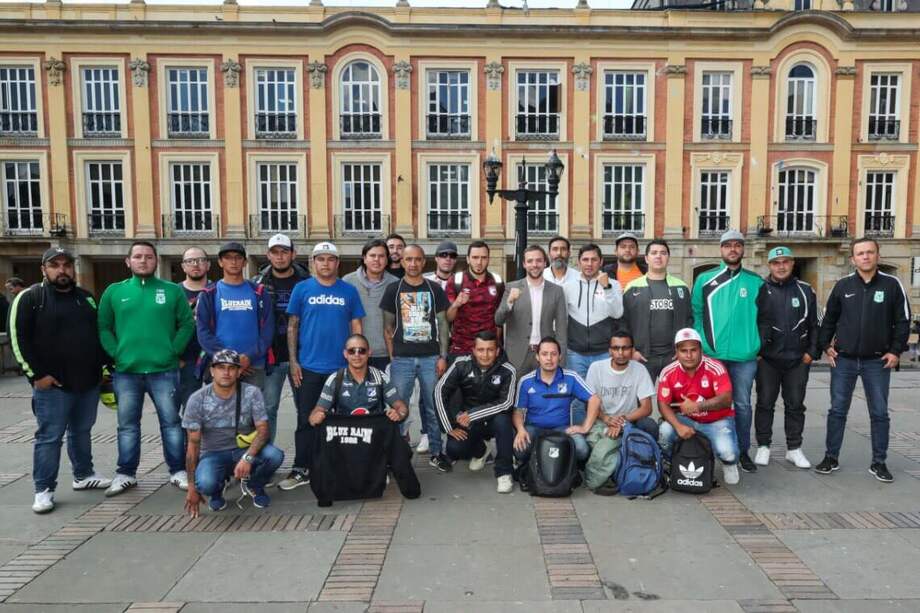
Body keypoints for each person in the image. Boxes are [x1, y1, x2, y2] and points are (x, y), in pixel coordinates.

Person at [10, 248, 112, 513]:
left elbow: (97, 337)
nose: (62, 270)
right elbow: (17, 339)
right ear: (44, 269)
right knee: (49, 437)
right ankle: (43, 489)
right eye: (55, 265)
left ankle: (83, 475)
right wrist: (36, 376)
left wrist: (103, 369)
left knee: (81, 431)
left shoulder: (86, 298)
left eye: (67, 265)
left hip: (87, 382)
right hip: (52, 385)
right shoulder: (30, 298)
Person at [97, 241, 195, 497]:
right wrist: (116, 353)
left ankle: (177, 470)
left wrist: (174, 350)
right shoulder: (114, 292)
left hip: (164, 370)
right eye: (138, 257)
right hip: (127, 371)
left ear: (156, 261)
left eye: (149, 257)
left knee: (172, 423)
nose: (143, 261)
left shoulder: (172, 291)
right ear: (128, 262)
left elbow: (186, 324)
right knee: (127, 425)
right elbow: (104, 327)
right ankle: (126, 473)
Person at [815, 237, 911, 483]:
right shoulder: (842, 286)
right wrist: (826, 346)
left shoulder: (892, 285)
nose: (865, 257)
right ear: (853, 259)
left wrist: (896, 351)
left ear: (877, 255)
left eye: (870, 252)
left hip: (877, 362)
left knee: (879, 413)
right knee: (837, 411)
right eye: (860, 253)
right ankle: (830, 457)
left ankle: (879, 462)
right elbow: (828, 320)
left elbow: (902, 321)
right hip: (844, 361)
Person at [282, 241, 364, 490]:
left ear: (337, 263)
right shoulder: (302, 289)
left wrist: (357, 361)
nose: (325, 263)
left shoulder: (348, 291)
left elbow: (356, 327)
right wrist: (294, 362)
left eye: (330, 259)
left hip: (341, 368)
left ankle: (338, 465)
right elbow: (292, 326)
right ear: (313, 263)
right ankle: (301, 467)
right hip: (309, 367)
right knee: (306, 419)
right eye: (320, 259)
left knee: (341, 420)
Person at [691, 229, 763, 473]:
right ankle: (711, 449)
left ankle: (742, 451)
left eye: (737, 245)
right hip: (713, 355)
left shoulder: (755, 282)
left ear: (743, 249)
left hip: (745, 357)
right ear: (720, 249)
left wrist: (758, 344)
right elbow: (697, 314)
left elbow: (765, 317)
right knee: (711, 403)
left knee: (742, 404)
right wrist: (704, 343)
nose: (733, 249)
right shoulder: (705, 279)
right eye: (728, 245)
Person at [182, 349, 284, 516]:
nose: (226, 372)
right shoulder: (197, 399)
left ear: (239, 372)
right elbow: (193, 446)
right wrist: (192, 488)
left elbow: (263, 430)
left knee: (275, 456)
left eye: (231, 368)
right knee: (206, 482)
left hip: (243, 449)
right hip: (213, 454)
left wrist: (248, 457)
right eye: (221, 367)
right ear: (212, 371)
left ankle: (255, 484)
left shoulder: (252, 393)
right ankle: (216, 491)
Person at [381, 244, 451, 469]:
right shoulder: (394, 289)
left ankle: (436, 452)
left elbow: (442, 324)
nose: (413, 264)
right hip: (402, 359)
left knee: (432, 406)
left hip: (431, 357)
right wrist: (394, 357)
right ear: (402, 261)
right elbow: (387, 327)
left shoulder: (434, 289)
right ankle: (399, 453)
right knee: (399, 406)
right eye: (408, 259)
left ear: (424, 262)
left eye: (417, 259)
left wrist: (442, 356)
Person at [753, 247, 818, 469]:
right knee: (764, 404)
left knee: (795, 405)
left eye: (785, 262)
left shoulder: (806, 290)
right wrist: (757, 352)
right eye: (776, 262)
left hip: (798, 360)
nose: (781, 266)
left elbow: (814, 325)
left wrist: (811, 353)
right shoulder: (759, 289)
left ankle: (794, 449)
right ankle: (763, 446)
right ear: (769, 265)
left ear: (792, 263)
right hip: (767, 360)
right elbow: (751, 322)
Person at [513, 337, 602, 490]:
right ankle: (530, 468)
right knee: (520, 450)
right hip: (534, 428)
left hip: (562, 428)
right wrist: (520, 430)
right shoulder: (526, 381)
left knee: (582, 449)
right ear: (537, 356)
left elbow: (594, 400)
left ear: (560, 357)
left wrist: (585, 427)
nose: (549, 358)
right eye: (545, 354)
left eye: (553, 354)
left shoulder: (570, 377)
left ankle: (567, 470)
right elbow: (518, 411)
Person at [435, 331, 517, 492]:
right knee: (454, 448)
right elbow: (439, 391)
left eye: (490, 350)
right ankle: (482, 451)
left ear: (497, 351)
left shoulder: (508, 370)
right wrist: (449, 427)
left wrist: (472, 414)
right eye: (481, 350)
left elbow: (505, 403)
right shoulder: (461, 364)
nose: (485, 355)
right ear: (473, 350)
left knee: (503, 421)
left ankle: (504, 472)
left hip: (494, 419)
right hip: (470, 422)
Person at [658, 328, 740, 485]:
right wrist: (678, 426)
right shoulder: (668, 372)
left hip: (717, 420)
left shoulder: (715, 367)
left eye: (693, 350)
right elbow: (663, 404)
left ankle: (729, 464)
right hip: (686, 420)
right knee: (665, 431)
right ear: (677, 352)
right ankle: (671, 462)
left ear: (701, 350)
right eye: (684, 351)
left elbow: (726, 399)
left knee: (728, 453)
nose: (689, 355)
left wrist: (697, 406)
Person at [250, 233, 311, 442]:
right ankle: (266, 457)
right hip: (271, 357)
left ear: (293, 254)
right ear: (268, 255)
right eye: (275, 252)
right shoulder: (257, 284)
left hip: (302, 357)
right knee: (268, 409)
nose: (280, 257)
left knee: (305, 409)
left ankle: (307, 459)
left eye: (284, 252)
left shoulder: (307, 282)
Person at [584, 330, 658, 494]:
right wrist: (607, 418)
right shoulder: (596, 368)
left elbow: (647, 408)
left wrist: (622, 421)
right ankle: (617, 470)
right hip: (602, 419)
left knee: (650, 425)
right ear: (609, 350)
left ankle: (647, 463)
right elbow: (589, 404)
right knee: (599, 443)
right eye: (616, 348)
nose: (620, 353)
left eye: (625, 348)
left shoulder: (639, 370)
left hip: (630, 420)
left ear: (632, 350)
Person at [195, 242, 275, 390]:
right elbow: (203, 331)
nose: (233, 262)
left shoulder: (259, 292)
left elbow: (268, 330)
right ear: (220, 262)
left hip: (253, 365)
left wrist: (249, 357)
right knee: (221, 411)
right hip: (221, 366)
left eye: (238, 258)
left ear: (244, 262)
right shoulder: (209, 294)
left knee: (251, 411)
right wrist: (230, 360)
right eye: (228, 258)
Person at [564, 243, 624, 424]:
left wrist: (607, 288)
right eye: (585, 260)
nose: (589, 264)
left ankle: (601, 434)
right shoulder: (568, 286)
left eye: (594, 260)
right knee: (577, 398)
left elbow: (617, 313)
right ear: (578, 262)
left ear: (601, 262)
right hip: (575, 353)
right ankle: (579, 438)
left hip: (603, 352)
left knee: (604, 396)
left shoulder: (614, 284)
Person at [621, 239, 692, 381]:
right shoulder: (632, 287)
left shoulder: (681, 287)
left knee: (675, 402)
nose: (658, 256)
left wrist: (684, 349)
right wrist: (632, 350)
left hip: (673, 356)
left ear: (668, 258)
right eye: (654, 253)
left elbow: (688, 321)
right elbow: (624, 322)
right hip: (643, 356)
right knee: (641, 401)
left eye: (663, 253)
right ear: (646, 258)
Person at [494, 244, 568, 374]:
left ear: (545, 263)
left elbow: (562, 329)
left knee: (545, 393)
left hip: (546, 355)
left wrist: (561, 360)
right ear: (524, 264)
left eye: (539, 260)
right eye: (530, 261)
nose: (534, 265)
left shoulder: (557, 291)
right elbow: (498, 320)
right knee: (516, 392)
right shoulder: (511, 287)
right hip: (516, 355)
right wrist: (509, 302)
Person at [309, 334, 408, 423]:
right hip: (344, 437)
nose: (357, 355)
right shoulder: (335, 379)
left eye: (362, 351)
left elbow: (401, 407)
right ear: (345, 354)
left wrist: (399, 414)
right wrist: (315, 417)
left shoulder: (380, 377)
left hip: (375, 436)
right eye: (352, 351)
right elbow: (317, 411)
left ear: (369, 353)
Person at [344, 239, 398, 371]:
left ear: (387, 259)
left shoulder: (395, 284)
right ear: (364, 258)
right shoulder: (347, 281)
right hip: (356, 353)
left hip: (385, 354)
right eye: (372, 255)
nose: (377, 260)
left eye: (381, 256)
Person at [446, 241, 503, 359]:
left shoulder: (497, 281)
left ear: (488, 259)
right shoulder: (456, 280)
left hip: (487, 350)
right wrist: (456, 304)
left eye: (483, 258)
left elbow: (499, 319)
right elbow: (448, 317)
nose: (479, 262)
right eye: (475, 257)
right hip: (461, 348)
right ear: (468, 259)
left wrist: (497, 344)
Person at [177, 247, 210, 411]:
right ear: (183, 266)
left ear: (208, 265)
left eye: (201, 260)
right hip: (185, 360)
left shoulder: (217, 290)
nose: (195, 264)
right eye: (190, 261)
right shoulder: (174, 292)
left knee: (217, 411)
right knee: (190, 411)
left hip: (213, 360)